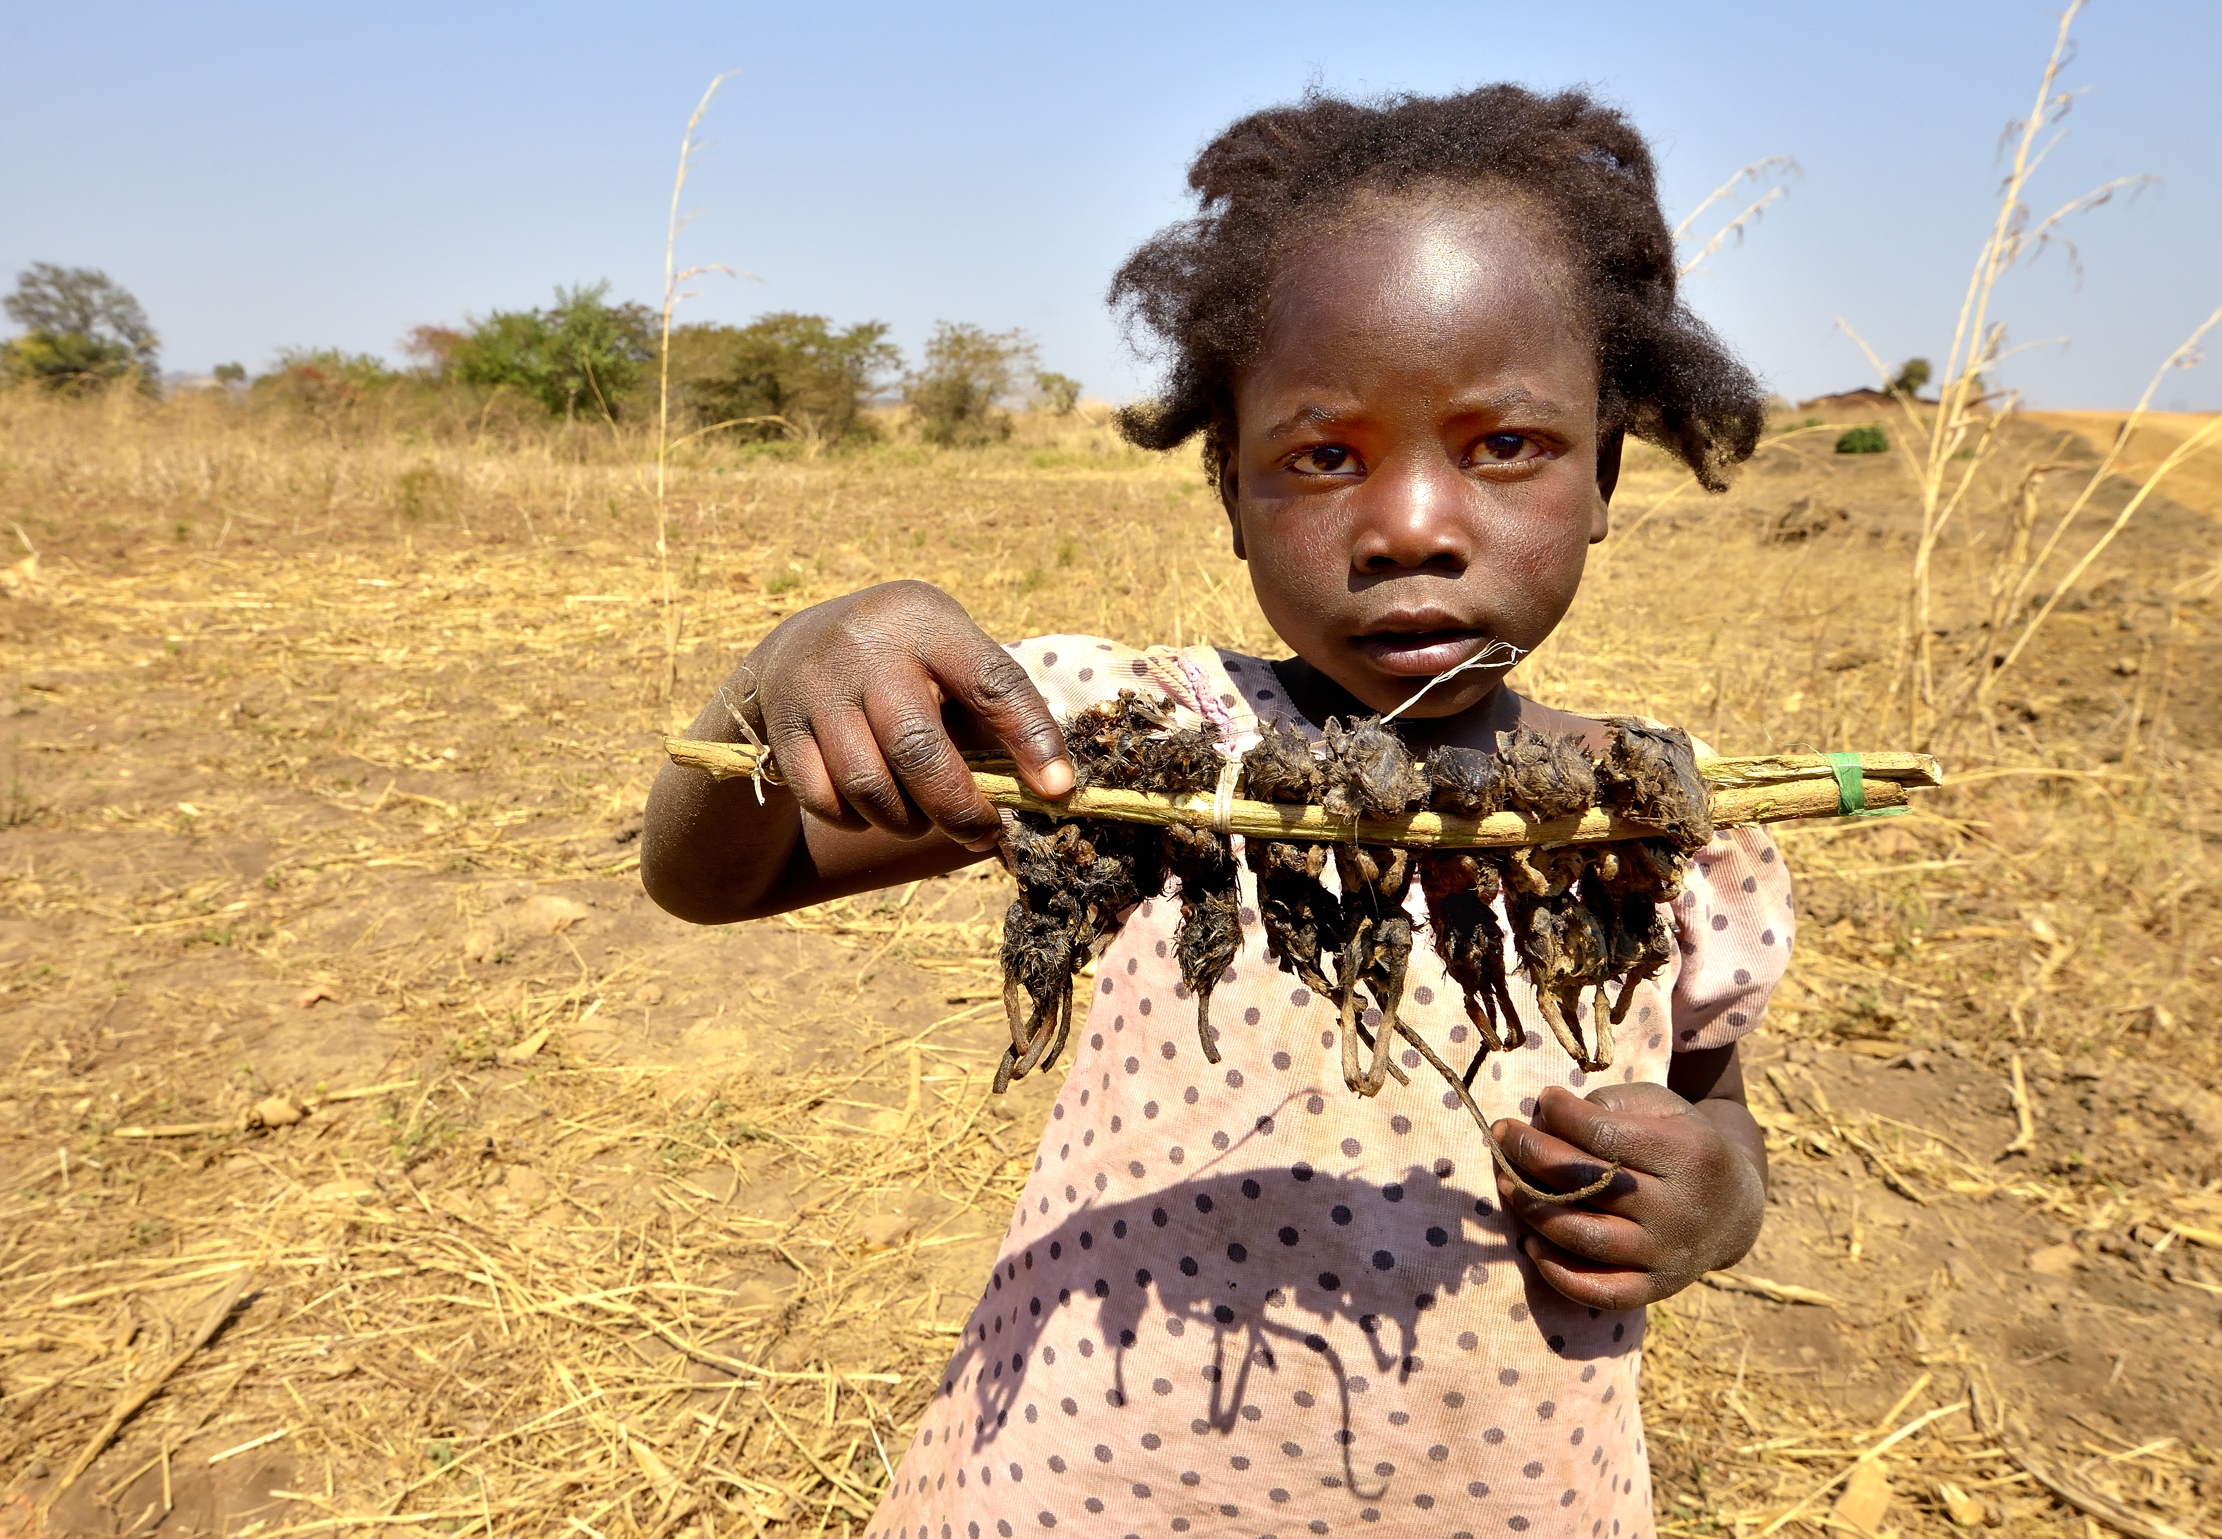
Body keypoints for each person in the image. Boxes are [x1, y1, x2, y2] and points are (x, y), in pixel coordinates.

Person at [644, 82, 1789, 1539]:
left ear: (1606, 472)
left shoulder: (1672, 827)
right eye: (1323, 458)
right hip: (1082, 1489)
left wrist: (1720, 1201)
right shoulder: (1116, 749)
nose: (1410, 527)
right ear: (1231, 491)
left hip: (1503, 1494)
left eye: (1503, 445)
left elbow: (1713, 1105)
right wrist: (771, 682)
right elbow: (711, 879)